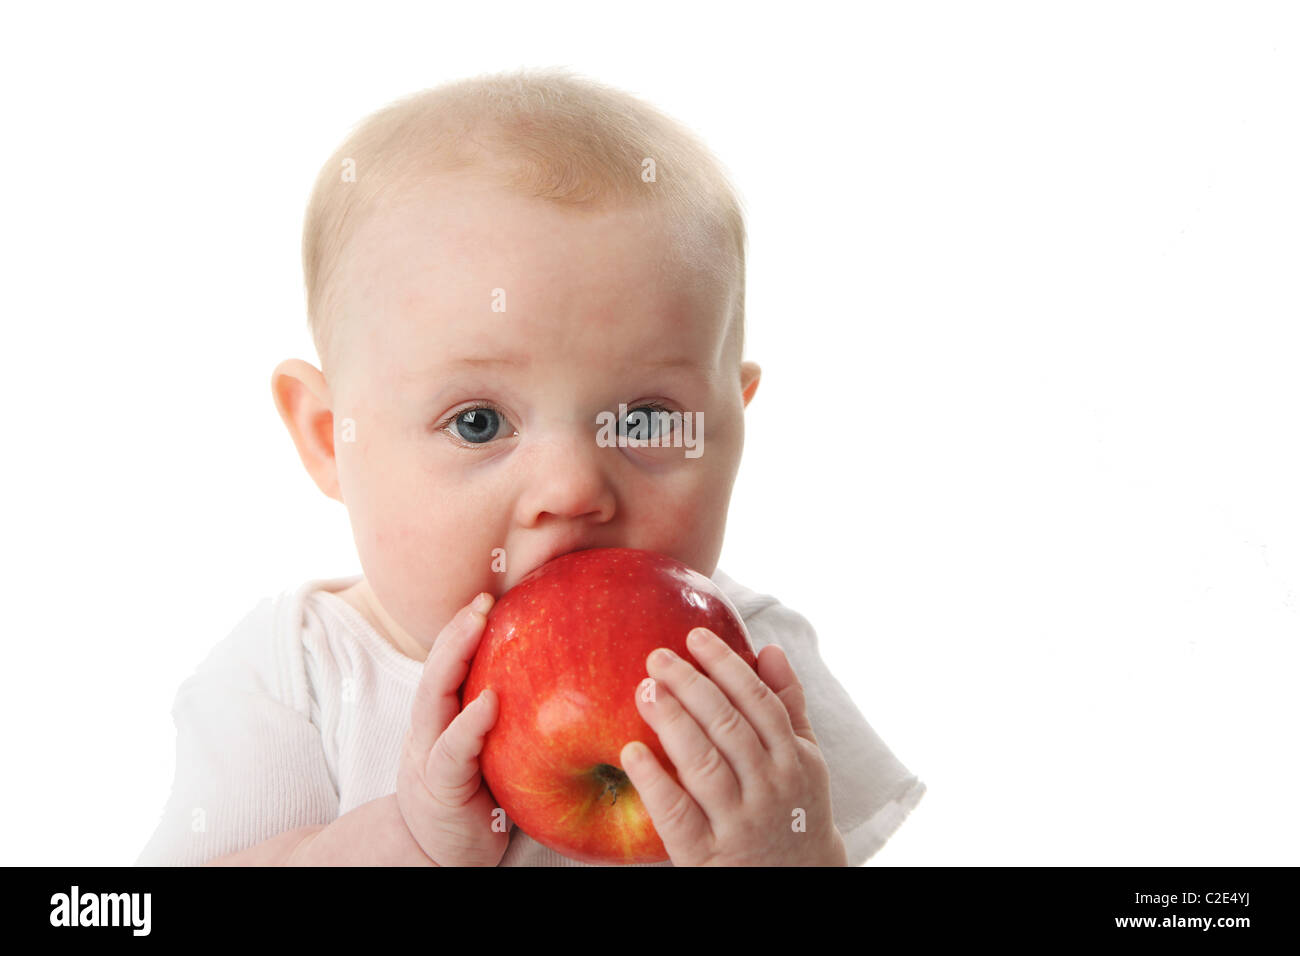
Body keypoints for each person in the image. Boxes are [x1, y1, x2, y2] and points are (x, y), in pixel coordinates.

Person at [135, 66, 925, 866]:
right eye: (478, 423)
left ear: (735, 425)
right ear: (326, 435)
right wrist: (402, 842)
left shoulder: (742, 670)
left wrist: (790, 852)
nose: (573, 488)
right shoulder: (297, 678)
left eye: (646, 419)